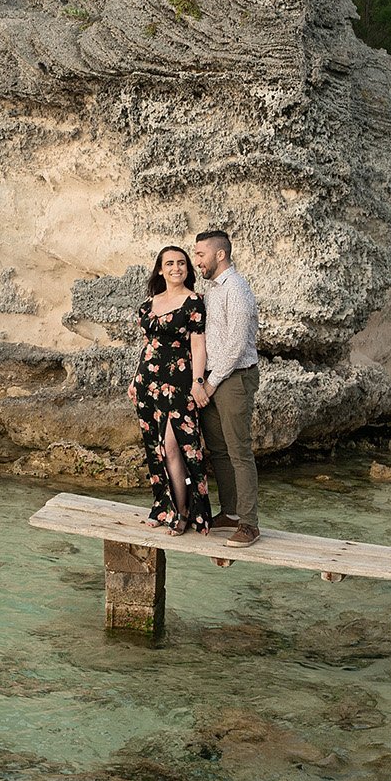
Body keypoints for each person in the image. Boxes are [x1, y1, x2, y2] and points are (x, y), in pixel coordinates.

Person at [129, 245, 216, 535]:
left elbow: (198, 344)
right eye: (169, 263)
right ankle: (164, 506)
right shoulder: (148, 304)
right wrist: (134, 378)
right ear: (160, 269)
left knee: (173, 446)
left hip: (179, 383)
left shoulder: (194, 302)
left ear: (188, 269)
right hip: (148, 383)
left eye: (181, 263)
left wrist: (197, 381)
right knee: (155, 448)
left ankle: (182, 513)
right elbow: (148, 346)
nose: (176, 268)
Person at [190, 227, 261, 546]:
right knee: (218, 450)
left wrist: (211, 383)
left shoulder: (238, 289)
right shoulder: (213, 289)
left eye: (200, 254)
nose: (196, 261)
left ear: (220, 255)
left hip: (234, 378)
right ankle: (230, 512)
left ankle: (249, 524)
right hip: (213, 379)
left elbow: (236, 344)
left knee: (239, 451)